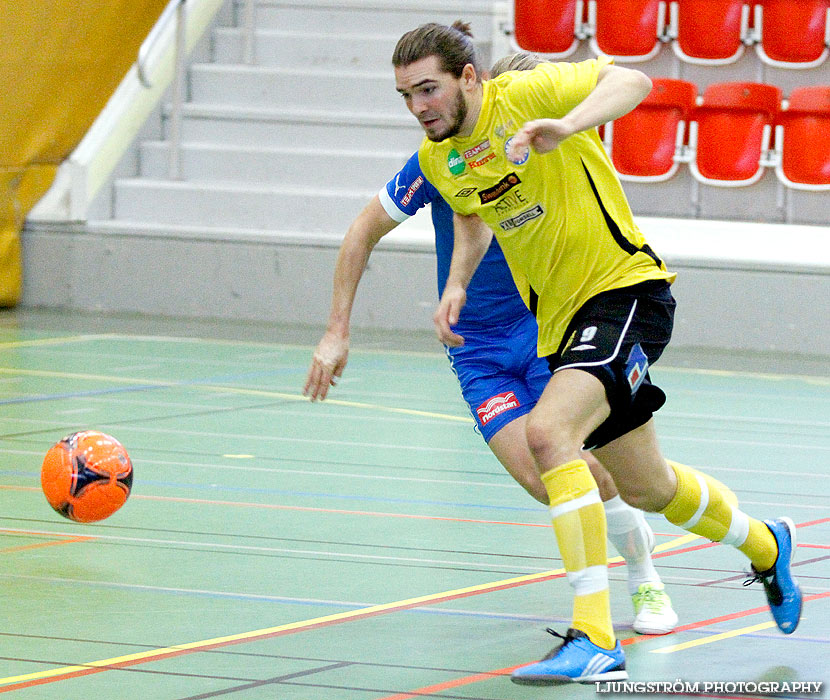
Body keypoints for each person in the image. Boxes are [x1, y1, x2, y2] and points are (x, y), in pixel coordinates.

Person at [391, 21, 801, 685]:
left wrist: (566, 124)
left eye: (428, 89)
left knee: (550, 435)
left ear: (469, 78)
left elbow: (634, 80)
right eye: (406, 95)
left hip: (624, 293)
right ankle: (766, 544)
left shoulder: (527, 96)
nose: (418, 106)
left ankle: (594, 637)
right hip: (562, 326)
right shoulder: (443, 158)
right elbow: (473, 215)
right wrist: (458, 282)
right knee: (651, 486)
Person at [305, 54, 680, 636]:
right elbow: (371, 229)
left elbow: (621, 87)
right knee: (540, 479)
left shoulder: (552, 152)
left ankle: (640, 573)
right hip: (477, 350)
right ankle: (618, 567)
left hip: (546, 331)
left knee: (577, 459)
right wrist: (338, 328)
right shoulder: (445, 160)